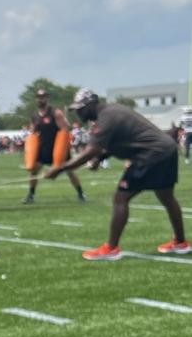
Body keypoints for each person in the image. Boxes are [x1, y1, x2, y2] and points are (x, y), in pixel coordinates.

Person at [47, 88, 189, 260]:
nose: (78, 112)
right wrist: (100, 158)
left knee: (121, 198)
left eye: (81, 108)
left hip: (150, 155)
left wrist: (60, 168)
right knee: (166, 197)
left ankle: (111, 248)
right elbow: (117, 142)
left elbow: (90, 151)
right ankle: (180, 243)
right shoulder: (110, 112)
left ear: (91, 104)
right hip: (166, 150)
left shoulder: (106, 118)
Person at [23, 87, 84, 204]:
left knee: (70, 171)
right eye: (39, 97)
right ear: (36, 99)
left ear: (47, 98)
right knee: (34, 171)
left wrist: (64, 147)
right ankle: (31, 195)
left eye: (43, 97)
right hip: (43, 148)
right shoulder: (35, 116)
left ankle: (81, 193)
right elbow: (33, 131)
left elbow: (66, 128)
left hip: (57, 148)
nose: (41, 100)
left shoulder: (55, 113)